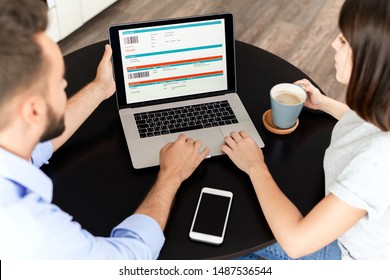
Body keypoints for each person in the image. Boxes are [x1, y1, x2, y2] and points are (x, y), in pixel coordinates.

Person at [0, 0, 209, 259]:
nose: (65, 83)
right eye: (57, 80)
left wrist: (101, 88)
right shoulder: (33, 233)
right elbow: (128, 261)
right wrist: (172, 175)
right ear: (33, 111)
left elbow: (36, 146)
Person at [223, 0, 390, 260]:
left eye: (344, 41)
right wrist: (324, 103)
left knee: (228, 243)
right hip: (338, 213)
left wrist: (255, 165)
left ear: (372, 61)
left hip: (343, 254)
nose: (334, 43)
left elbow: (296, 242)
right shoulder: (384, 107)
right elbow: (366, 124)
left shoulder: (377, 162)